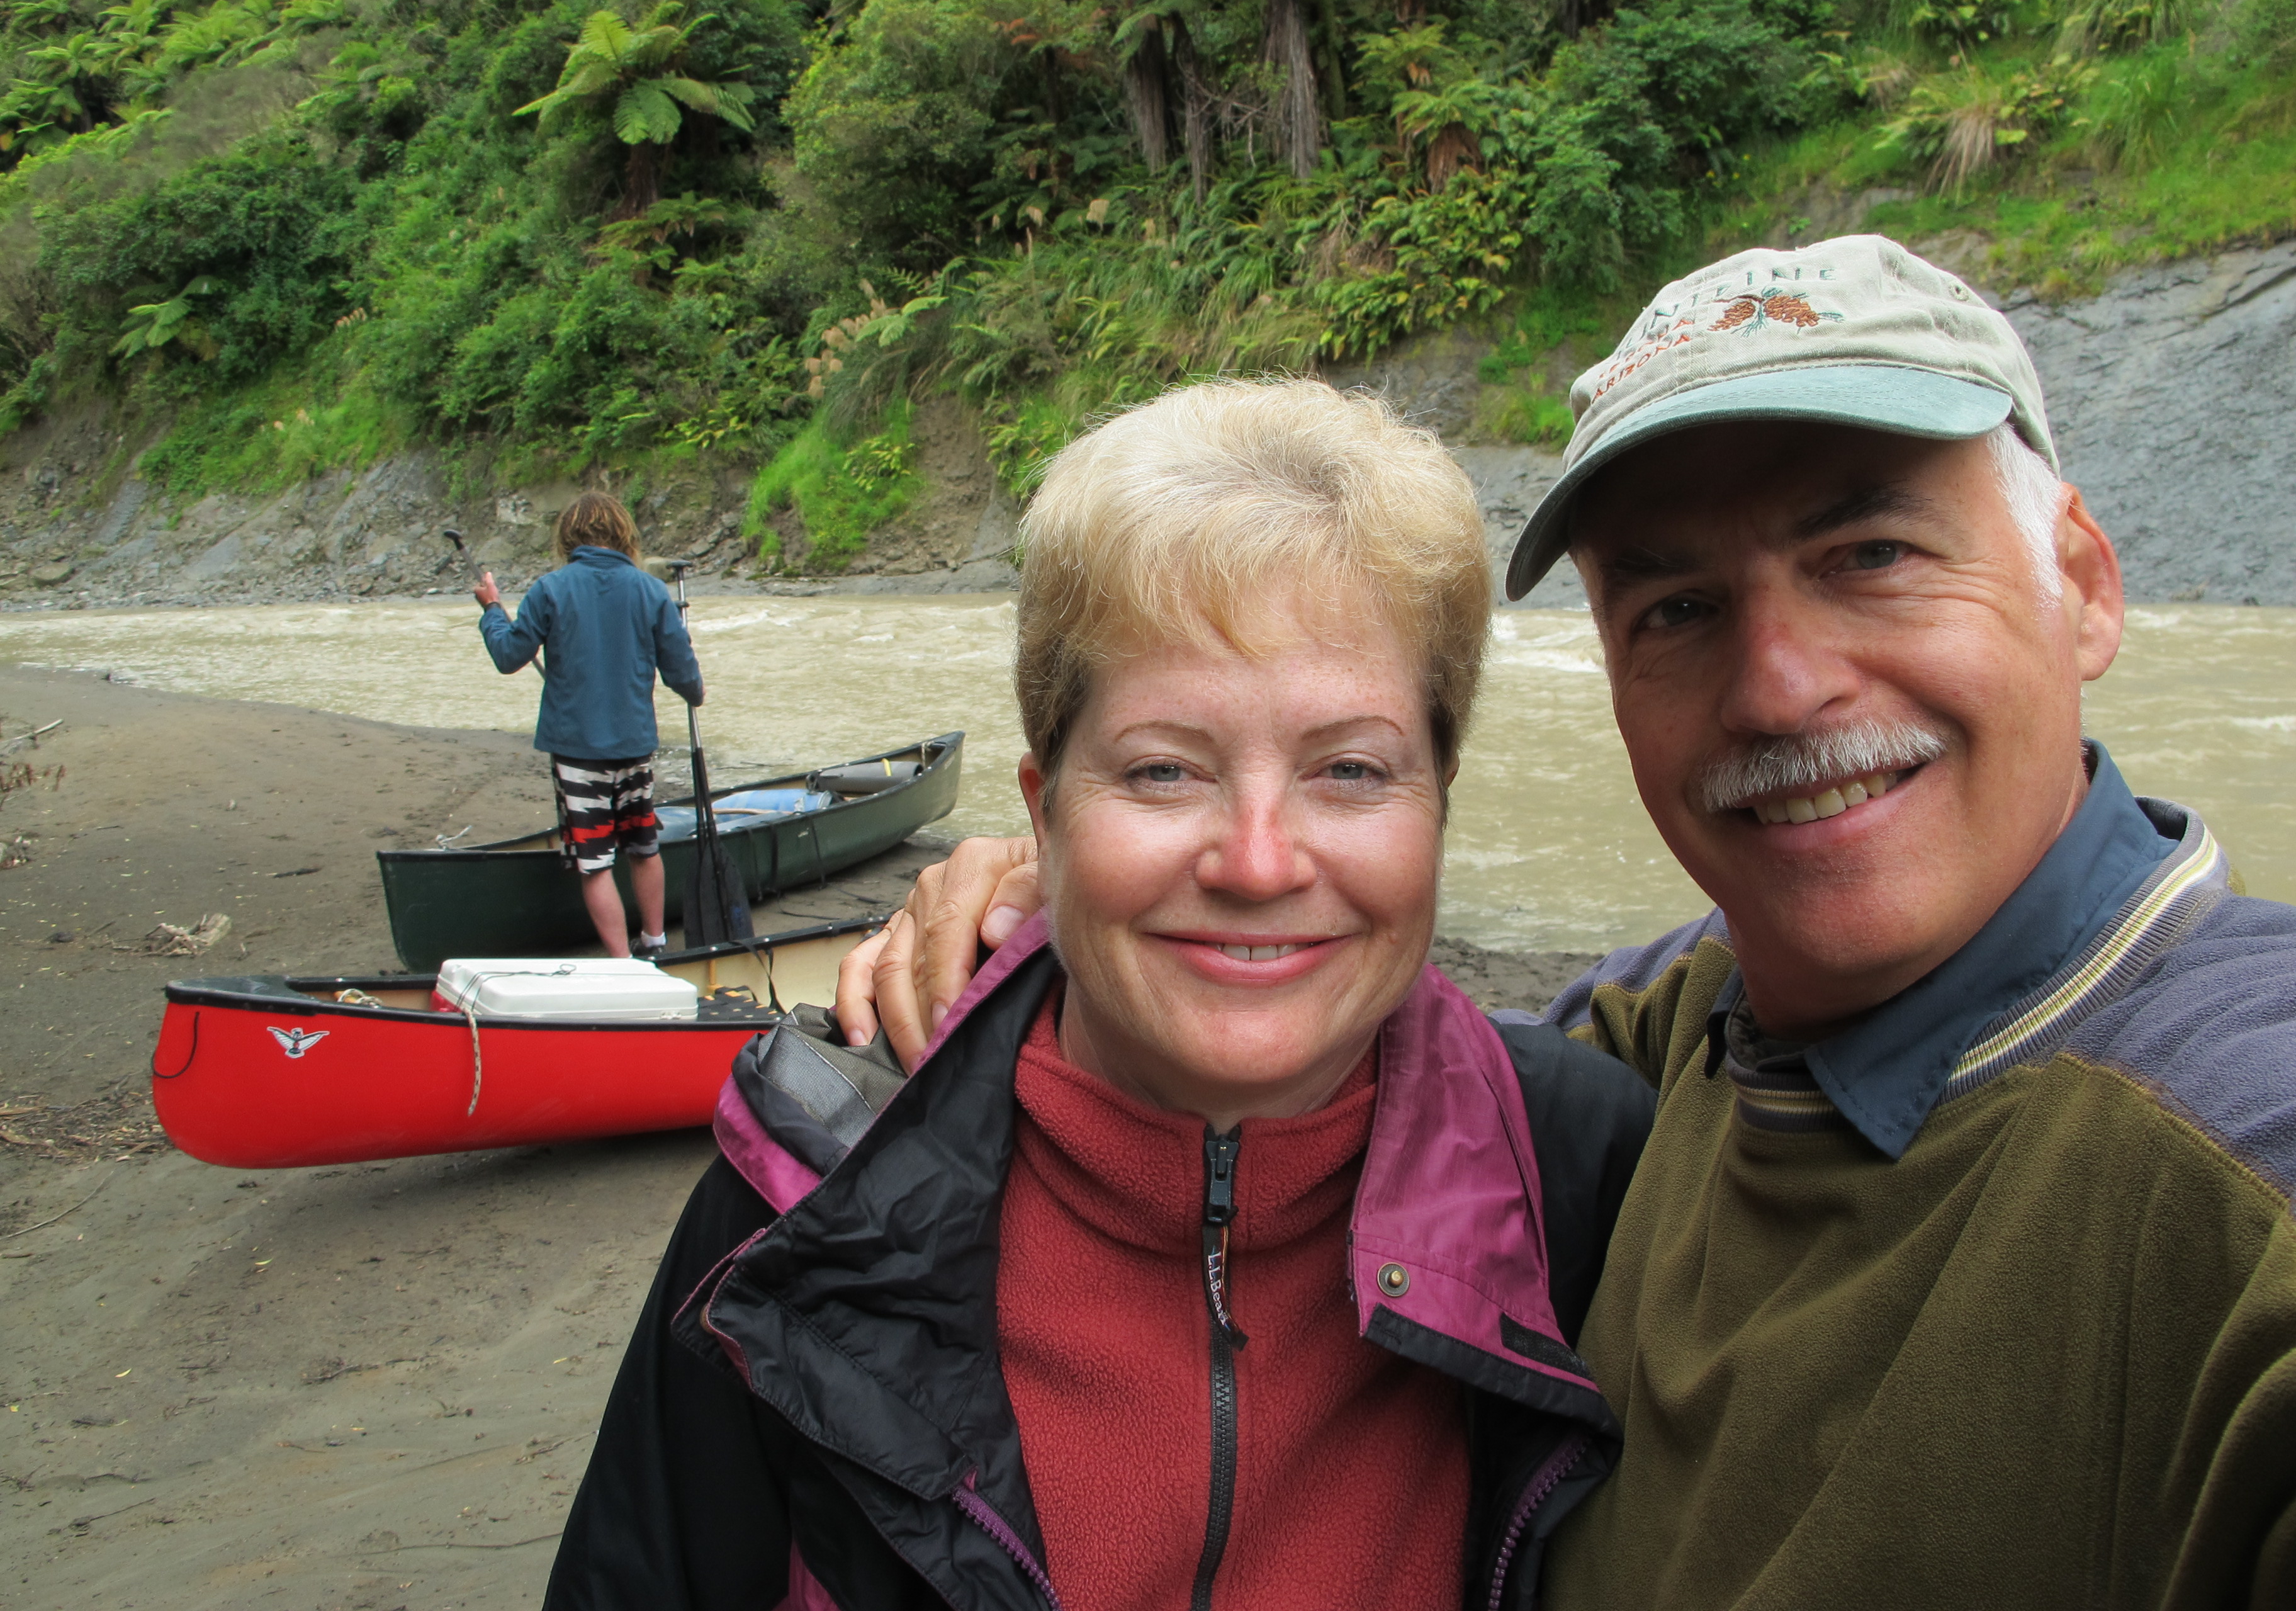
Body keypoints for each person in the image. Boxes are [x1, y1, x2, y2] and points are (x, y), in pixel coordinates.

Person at [838, 236, 2296, 1608]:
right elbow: (1387, 1071)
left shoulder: (2236, 1154)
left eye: (1873, 555)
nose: (1782, 684)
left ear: (2087, 585)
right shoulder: (1691, 1028)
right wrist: (1090, 896)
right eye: (1675, 606)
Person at [543, 379, 1655, 1610]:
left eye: (1350, 768)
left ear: (1439, 801)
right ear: (1044, 811)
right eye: (1163, 770)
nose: (1259, 860)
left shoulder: (1580, 1176)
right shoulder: (805, 1204)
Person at [475, 491, 704, 959]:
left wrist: (492, 612)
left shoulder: (550, 590)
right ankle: (656, 941)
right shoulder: (650, 591)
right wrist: (695, 693)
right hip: (634, 743)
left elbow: (508, 656)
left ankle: (622, 963)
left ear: (568, 537)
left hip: (578, 751)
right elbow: (682, 671)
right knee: (644, 845)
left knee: (595, 861)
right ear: (624, 534)